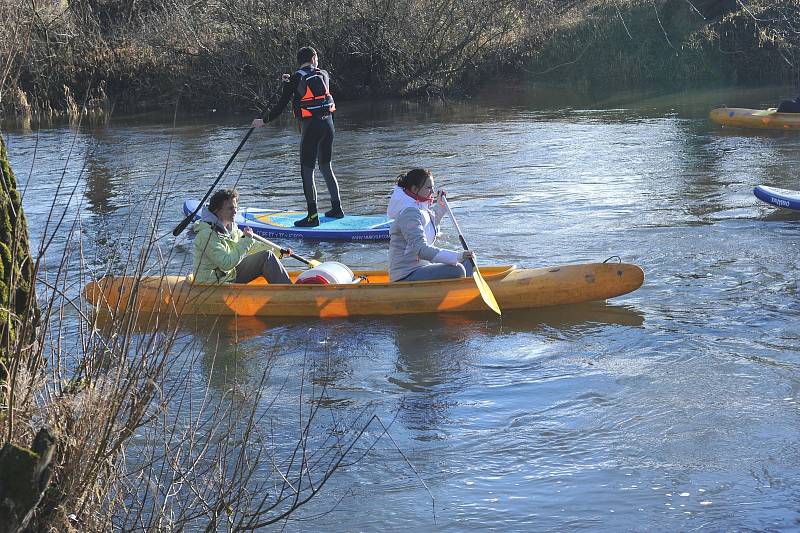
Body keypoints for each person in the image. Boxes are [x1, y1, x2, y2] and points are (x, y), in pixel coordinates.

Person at [251, 46, 343, 227]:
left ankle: (312, 216)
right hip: (329, 125)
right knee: (326, 166)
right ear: (314, 58)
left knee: (307, 171)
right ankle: (337, 208)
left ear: (299, 61)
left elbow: (281, 105)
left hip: (311, 127)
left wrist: (264, 121)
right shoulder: (323, 74)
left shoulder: (295, 79)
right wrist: (290, 81)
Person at [386, 168, 475, 282]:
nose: (432, 191)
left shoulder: (420, 207)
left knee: (469, 260)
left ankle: (464, 291)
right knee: (457, 270)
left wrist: (441, 205)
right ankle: (461, 292)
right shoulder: (409, 212)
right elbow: (422, 250)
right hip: (406, 275)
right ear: (414, 189)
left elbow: (428, 225)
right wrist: (457, 256)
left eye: (432, 187)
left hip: (423, 268)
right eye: (428, 188)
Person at [192, 189, 293, 284]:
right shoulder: (206, 235)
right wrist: (246, 240)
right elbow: (226, 264)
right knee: (265, 256)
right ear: (217, 210)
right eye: (230, 208)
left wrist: (278, 252)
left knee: (267, 256)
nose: (235, 212)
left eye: (235, 208)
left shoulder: (231, 227)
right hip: (213, 283)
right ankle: (291, 293)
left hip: (229, 274)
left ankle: (288, 290)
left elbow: (252, 246)